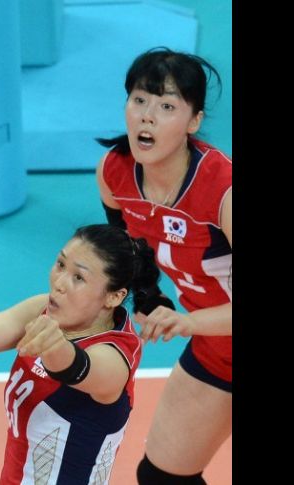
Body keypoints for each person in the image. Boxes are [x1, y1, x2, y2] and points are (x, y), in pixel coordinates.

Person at [0, 224, 172, 485]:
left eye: (79, 277)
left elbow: (76, 367)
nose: (59, 283)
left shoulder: (114, 357)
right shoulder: (41, 310)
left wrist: (57, 346)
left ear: (113, 297)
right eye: (61, 264)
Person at [95, 47, 231, 484]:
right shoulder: (115, 173)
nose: (147, 117)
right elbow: (131, 248)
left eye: (167, 106)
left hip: (208, 332)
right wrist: (149, 297)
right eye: (139, 100)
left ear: (194, 121)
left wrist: (185, 324)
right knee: (163, 477)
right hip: (219, 352)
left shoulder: (223, 191)